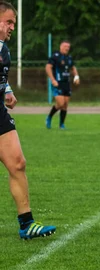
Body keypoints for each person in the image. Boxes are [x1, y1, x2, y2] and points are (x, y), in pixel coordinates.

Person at [0, 2, 56, 239]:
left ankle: (26, 224)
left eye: (14, 22)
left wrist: (7, 90)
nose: (12, 27)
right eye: (8, 21)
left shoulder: (4, 48)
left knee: (18, 163)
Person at [45, 40, 79, 130]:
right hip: (57, 83)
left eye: (68, 47)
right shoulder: (55, 56)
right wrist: (52, 80)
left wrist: (76, 76)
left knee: (65, 105)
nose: (67, 48)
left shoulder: (69, 57)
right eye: (65, 46)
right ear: (60, 46)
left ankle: (61, 125)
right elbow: (48, 67)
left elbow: (73, 67)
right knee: (60, 103)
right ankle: (49, 117)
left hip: (66, 83)